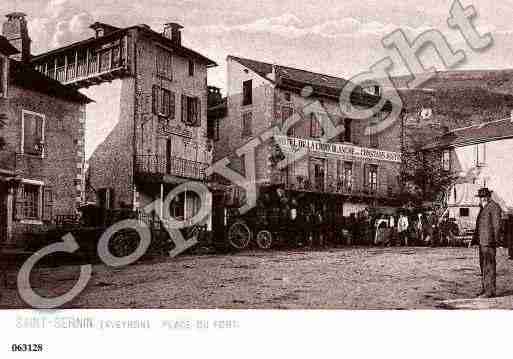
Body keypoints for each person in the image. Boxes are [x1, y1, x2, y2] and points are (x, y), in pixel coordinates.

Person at [474, 187, 502, 298]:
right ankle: (485, 288)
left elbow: (497, 226)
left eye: (483, 197)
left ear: (488, 197)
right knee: (483, 266)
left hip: (489, 242)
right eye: (481, 197)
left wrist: (496, 240)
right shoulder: (483, 208)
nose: (481, 199)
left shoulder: (494, 207)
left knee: (489, 266)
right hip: (482, 242)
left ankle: (490, 291)